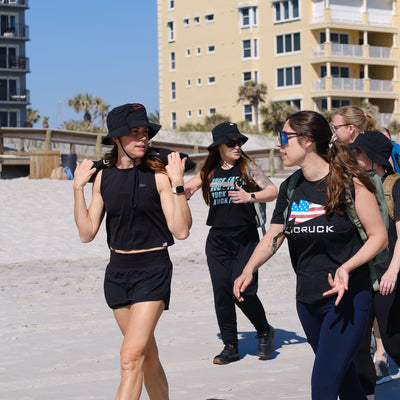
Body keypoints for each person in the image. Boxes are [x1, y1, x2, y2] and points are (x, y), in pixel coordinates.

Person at [233, 111, 388, 399]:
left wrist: (347, 267)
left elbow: (379, 236)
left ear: (305, 140)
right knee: (343, 379)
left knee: (324, 385)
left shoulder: (351, 183)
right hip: (307, 301)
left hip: (348, 299)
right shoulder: (290, 188)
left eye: (284, 138)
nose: (280, 146)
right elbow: (274, 235)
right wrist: (249, 268)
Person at [73, 103, 192, 400]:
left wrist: (178, 183)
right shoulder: (103, 177)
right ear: (116, 139)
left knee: (129, 358)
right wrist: (77, 189)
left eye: (145, 132)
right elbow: (87, 233)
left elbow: (181, 230)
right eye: (134, 132)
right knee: (146, 356)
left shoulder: (159, 174)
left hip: (153, 270)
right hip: (116, 274)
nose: (142, 138)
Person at [185, 122, 278, 365]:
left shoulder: (247, 167)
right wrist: (179, 188)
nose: (237, 146)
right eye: (232, 143)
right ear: (219, 147)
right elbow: (187, 188)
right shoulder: (209, 171)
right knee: (223, 293)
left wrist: (251, 196)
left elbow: (272, 191)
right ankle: (230, 346)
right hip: (217, 240)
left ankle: (264, 329)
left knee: (243, 291)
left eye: (239, 142)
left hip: (246, 238)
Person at [348, 131, 400, 399]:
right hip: (360, 277)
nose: (354, 155)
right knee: (358, 346)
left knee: (392, 342)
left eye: (359, 151)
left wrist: (393, 270)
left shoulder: (394, 185)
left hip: (388, 276)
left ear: (373, 156)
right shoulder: (356, 185)